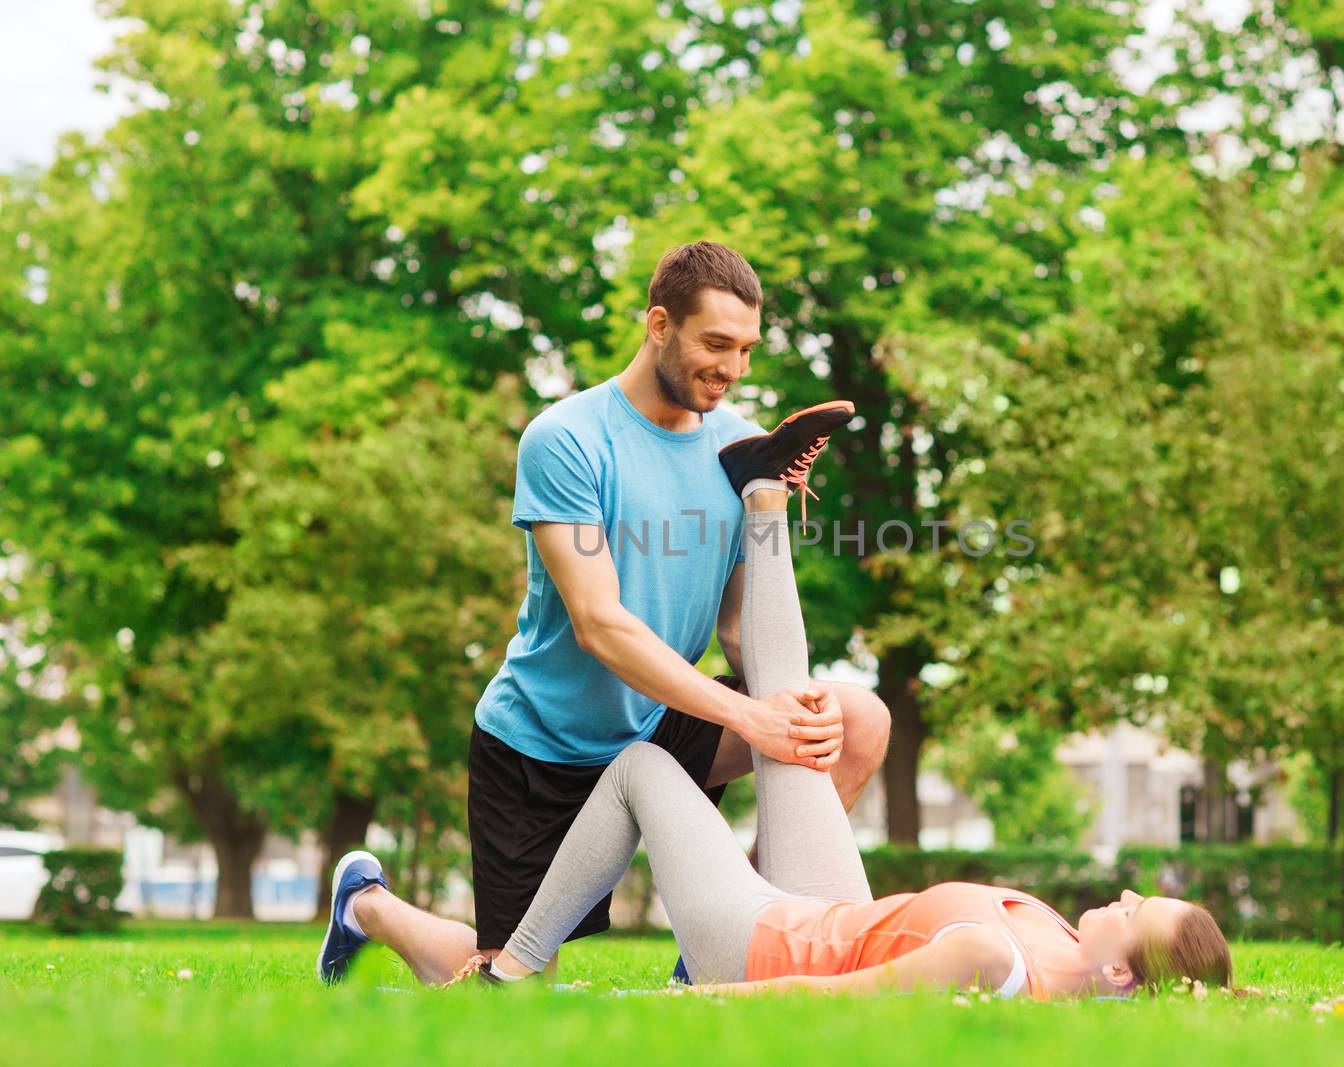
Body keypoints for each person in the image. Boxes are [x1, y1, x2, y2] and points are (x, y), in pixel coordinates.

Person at [339, 447, 1234, 998]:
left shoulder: (998, 964)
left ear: (1123, 973)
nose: (1122, 893)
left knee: (643, 769)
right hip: (819, 904)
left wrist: (678, 1005)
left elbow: (831, 1004)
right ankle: (764, 490)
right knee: (816, 714)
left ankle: (467, 952)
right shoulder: (1073, 948)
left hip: (770, 946)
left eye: (1134, 910)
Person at [316, 241, 890, 986]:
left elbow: (741, 626)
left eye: (747, 348)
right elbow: (600, 624)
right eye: (716, 344)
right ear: (659, 324)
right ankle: (367, 906)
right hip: (543, 751)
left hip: (661, 721)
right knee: (512, 984)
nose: (734, 368)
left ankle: (736, 940)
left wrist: (789, 707)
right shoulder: (568, 440)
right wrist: (750, 717)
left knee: (856, 721)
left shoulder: (739, 444)